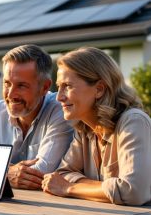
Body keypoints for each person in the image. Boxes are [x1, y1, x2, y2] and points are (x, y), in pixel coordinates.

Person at [42, 47, 151, 205]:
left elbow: (132, 192)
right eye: (59, 87)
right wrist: (106, 188)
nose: (59, 97)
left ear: (99, 89)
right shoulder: (84, 128)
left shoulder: (133, 121)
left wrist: (69, 188)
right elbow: (63, 173)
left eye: (68, 86)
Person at [0, 44, 73, 190]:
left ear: (44, 87)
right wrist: (7, 173)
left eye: (21, 86)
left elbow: (40, 174)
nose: (10, 94)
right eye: (7, 83)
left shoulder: (60, 110)